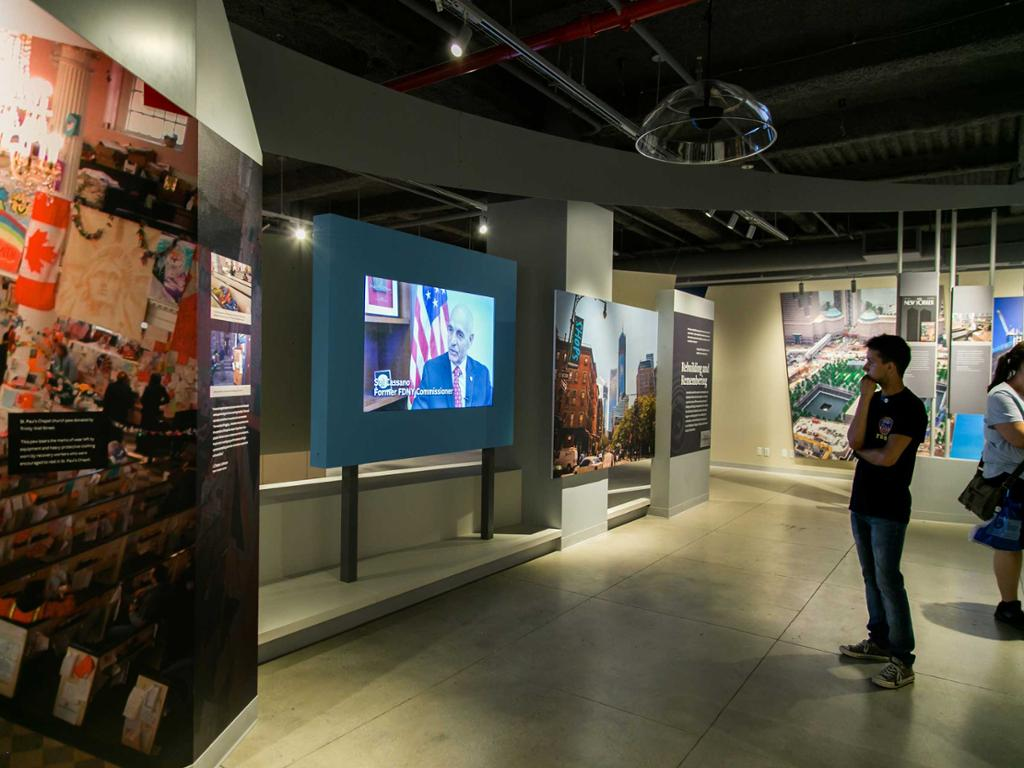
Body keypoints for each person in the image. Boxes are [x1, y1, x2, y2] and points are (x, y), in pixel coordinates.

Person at [840, 334, 928, 689]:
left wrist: (862, 452)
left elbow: (887, 458)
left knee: (889, 580)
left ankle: (902, 659)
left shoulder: (911, 408)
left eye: (872, 361)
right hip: (861, 503)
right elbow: (853, 439)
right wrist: (864, 397)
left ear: (890, 366)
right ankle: (879, 640)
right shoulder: (873, 400)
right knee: (870, 575)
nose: (866, 367)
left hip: (888, 509)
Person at [974, 342, 1024, 630]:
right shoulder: (1001, 396)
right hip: (1011, 482)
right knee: (1009, 544)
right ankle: (1008, 605)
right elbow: (1018, 437)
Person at [412, 305, 492, 409]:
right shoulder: (431, 370)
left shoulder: (482, 374)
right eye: (450, 330)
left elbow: (490, 415)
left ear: (470, 340)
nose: (452, 341)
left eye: (460, 335)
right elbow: (418, 412)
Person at [102, 371, 137, 441]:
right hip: (121, 415)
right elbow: (130, 403)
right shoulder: (127, 389)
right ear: (125, 380)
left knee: (109, 432)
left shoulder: (111, 386)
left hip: (110, 413)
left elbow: (106, 399)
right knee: (118, 433)